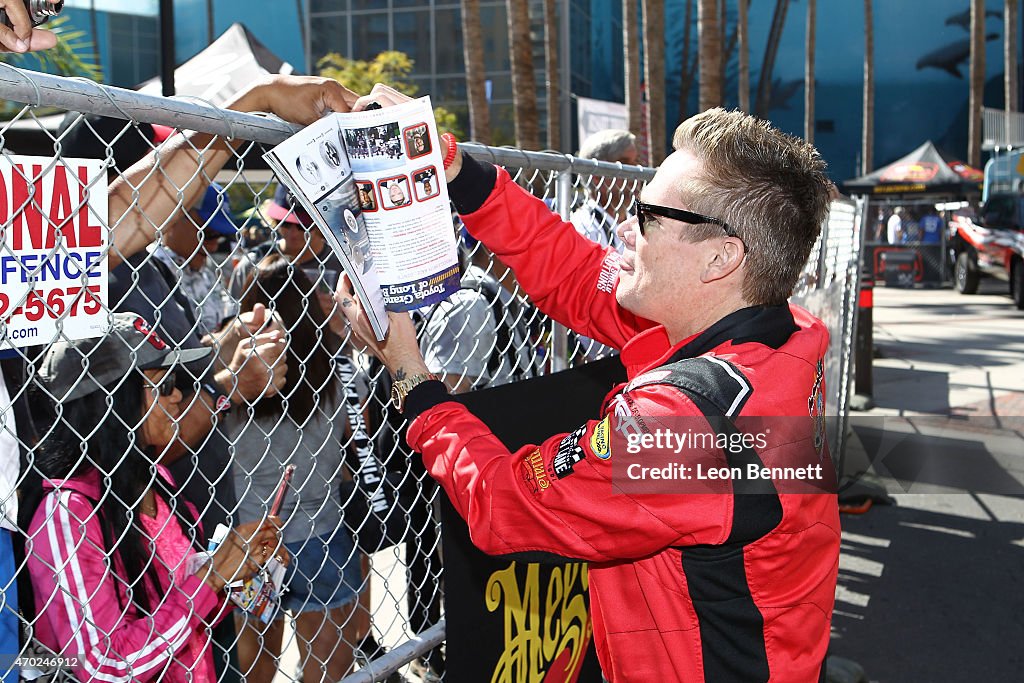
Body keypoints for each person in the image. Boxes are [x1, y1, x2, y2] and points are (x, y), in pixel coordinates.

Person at [341, 85, 840, 682]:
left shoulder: (685, 429)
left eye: (649, 217)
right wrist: (452, 168)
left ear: (721, 258)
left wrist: (410, 378)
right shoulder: (776, 333)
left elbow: (508, 505)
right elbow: (573, 271)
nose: (625, 229)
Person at [21, 313, 286, 682]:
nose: (178, 395)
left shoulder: (154, 479)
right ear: (113, 405)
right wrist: (211, 578)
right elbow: (102, 665)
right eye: (163, 386)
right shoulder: (68, 515)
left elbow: (186, 611)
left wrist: (243, 571)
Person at [229, 256, 363, 682]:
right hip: (321, 530)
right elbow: (347, 438)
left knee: (255, 668)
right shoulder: (333, 369)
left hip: (251, 538)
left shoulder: (239, 373)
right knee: (327, 665)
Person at [150, 182, 239, 337]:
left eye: (220, 236)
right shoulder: (150, 271)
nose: (213, 247)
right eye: (208, 234)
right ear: (175, 217)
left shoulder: (207, 273)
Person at [570, 128, 639, 250]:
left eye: (636, 162)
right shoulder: (583, 227)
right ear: (596, 176)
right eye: (625, 163)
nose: (636, 171)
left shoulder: (638, 220)